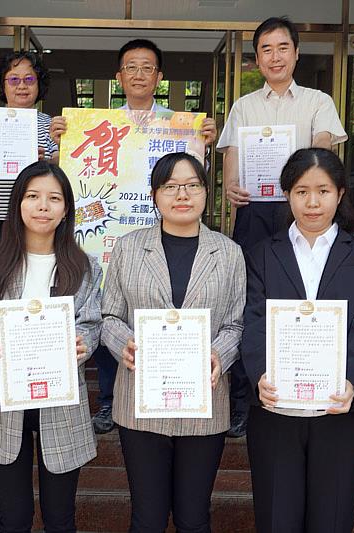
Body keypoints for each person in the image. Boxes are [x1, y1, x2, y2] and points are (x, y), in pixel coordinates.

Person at [51, 39, 218, 435]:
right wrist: (62, 141)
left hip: (161, 239)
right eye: (131, 67)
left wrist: (205, 143)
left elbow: (191, 178)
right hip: (109, 238)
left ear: (159, 77)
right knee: (114, 312)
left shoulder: (180, 126)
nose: (139, 74)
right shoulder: (96, 126)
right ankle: (109, 401)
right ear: (118, 77)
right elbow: (72, 173)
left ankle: (168, 384)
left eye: (147, 68)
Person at [240, 148, 354, 532]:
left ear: (340, 194)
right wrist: (259, 376)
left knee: (332, 517)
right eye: (302, 191)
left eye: (323, 190)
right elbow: (252, 320)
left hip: (338, 408)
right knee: (277, 517)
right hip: (276, 407)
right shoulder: (261, 255)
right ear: (287, 195)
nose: (313, 202)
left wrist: (352, 381)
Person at [217, 15, 349, 438]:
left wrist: (307, 188)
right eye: (265, 50)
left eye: (282, 48)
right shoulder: (244, 105)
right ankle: (244, 399)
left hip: (299, 210)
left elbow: (323, 154)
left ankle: (309, 378)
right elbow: (232, 154)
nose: (274, 57)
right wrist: (232, 187)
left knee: (299, 292)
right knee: (249, 299)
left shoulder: (317, 101)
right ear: (257, 59)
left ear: (296, 52)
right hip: (256, 210)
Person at [101, 152, 245, 532]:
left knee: (194, 517)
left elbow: (237, 324)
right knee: (146, 517)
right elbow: (109, 316)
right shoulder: (129, 248)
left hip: (204, 402)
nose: (182, 195)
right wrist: (124, 343)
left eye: (192, 185)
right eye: (171, 187)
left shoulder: (229, 253)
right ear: (154, 195)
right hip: (141, 401)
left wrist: (220, 354)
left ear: (205, 193)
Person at [0, 161, 103, 533]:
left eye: (54, 198)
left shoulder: (84, 266)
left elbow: (91, 321)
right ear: (17, 203)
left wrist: (83, 343)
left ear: (66, 208)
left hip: (62, 398)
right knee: (15, 516)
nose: (43, 206)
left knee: (60, 517)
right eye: (33, 196)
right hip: (4, 394)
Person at [0, 51, 59, 251]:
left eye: (29, 79)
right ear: (3, 85)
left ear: (39, 84)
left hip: (36, 213)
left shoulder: (48, 123)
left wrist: (46, 162)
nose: (22, 86)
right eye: (14, 79)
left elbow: (61, 160)